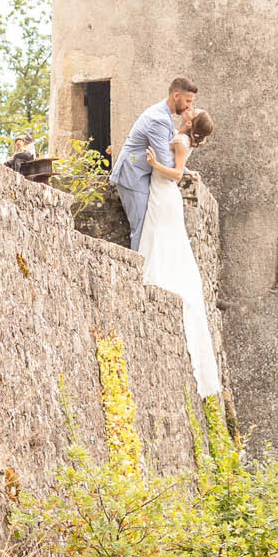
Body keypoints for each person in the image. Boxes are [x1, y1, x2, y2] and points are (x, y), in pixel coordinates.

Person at [140, 109, 222, 399]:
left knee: (160, 236)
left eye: (193, 111)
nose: (189, 110)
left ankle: (157, 278)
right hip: (164, 194)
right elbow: (181, 167)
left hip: (164, 192)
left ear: (191, 123)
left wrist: (152, 163)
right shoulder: (182, 139)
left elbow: (174, 173)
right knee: (162, 238)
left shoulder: (182, 141)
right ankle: (157, 274)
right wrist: (186, 170)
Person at [113, 77, 195, 250]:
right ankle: (136, 275)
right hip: (132, 175)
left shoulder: (165, 115)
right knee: (141, 229)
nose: (189, 106)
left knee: (147, 227)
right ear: (176, 95)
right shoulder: (159, 119)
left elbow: (168, 149)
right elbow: (165, 160)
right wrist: (183, 169)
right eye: (187, 101)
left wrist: (186, 170)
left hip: (141, 174)